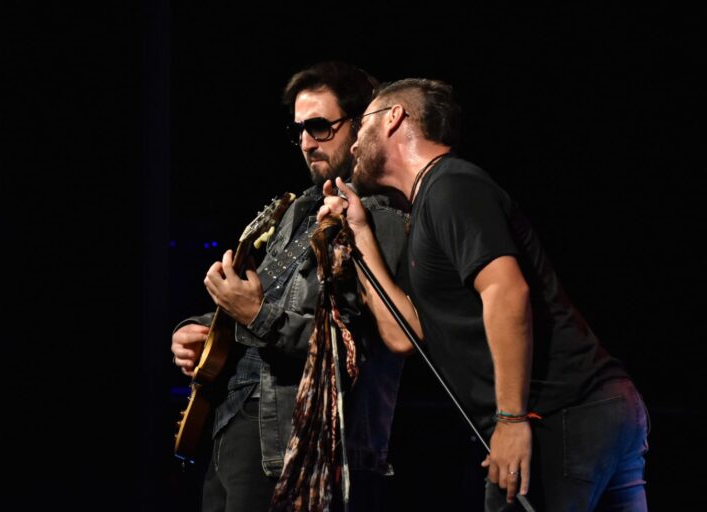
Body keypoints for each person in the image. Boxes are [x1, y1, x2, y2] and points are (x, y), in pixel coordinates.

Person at [318, 78, 650, 511]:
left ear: (394, 118)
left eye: (362, 125)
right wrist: (360, 231)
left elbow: (506, 291)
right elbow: (404, 335)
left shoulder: (451, 186)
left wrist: (511, 419)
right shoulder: (428, 207)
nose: (354, 144)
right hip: (594, 411)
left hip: (561, 415)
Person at [171, 61, 408, 512]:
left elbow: (353, 349)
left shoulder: (380, 217)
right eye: (299, 129)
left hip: (294, 447)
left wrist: (255, 314)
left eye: (319, 127)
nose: (306, 142)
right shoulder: (298, 209)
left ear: (361, 125)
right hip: (231, 424)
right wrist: (196, 330)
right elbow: (262, 297)